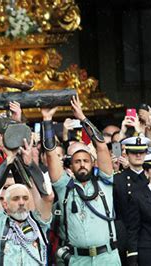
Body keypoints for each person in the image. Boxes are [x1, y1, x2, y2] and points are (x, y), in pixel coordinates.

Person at [42, 96, 121, 265]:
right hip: (78, 260)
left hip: (107, 258)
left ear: (93, 163)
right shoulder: (64, 187)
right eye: (77, 162)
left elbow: (101, 145)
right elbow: (50, 154)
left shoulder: (105, 182)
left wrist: (82, 117)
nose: (82, 164)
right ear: (70, 165)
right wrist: (47, 121)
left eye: (86, 160)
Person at [0, 134, 54, 265]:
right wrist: (9, 158)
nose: (21, 202)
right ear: (5, 204)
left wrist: (30, 164)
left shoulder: (39, 223)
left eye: (25, 198)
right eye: (16, 199)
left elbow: (48, 197)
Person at [113, 136, 150, 265]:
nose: (138, 155)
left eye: (142, 152)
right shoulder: (117, 180)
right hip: (126, 238)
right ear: (126, 154)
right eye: (134, 152)